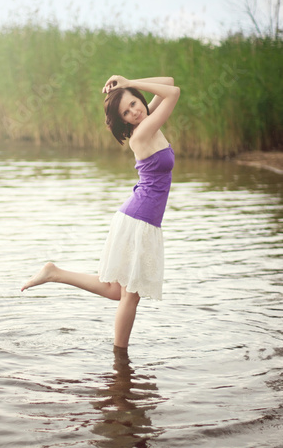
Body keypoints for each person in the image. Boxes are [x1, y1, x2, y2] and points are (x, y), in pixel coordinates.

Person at [21, 75, 180, 349]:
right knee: (130, 296)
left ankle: (55, 272)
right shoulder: (141, 133)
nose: (134, 112)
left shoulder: (147, 121)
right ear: (125, 121)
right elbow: (173, 92)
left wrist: (125, 81)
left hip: (141, 218)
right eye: (126, 113)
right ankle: (120, 361)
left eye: (133, 104)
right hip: (139, 220)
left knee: (117, 291)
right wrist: (129, 84)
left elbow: (168, 80)